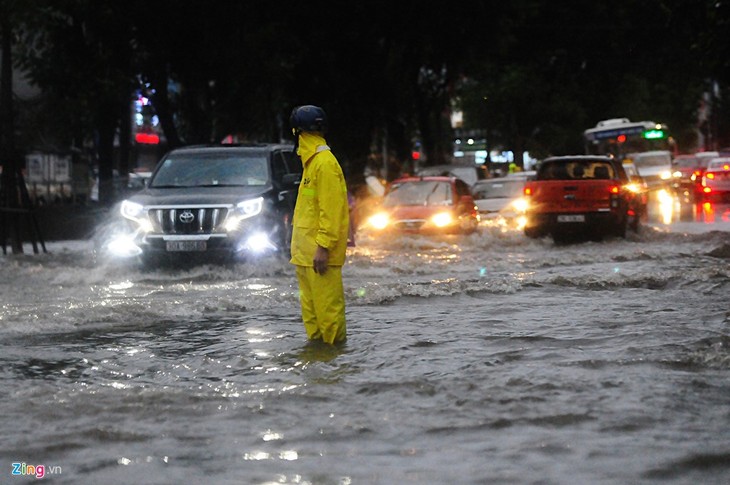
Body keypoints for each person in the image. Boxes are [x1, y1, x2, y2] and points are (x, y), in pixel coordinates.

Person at [289, 105, 349, 345]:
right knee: (313, 321)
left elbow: (331, 210)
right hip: (305, 256)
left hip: (318, 255)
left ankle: (335, 368)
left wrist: (323, 246)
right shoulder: (311, 163)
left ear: (297, 132)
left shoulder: (324, 163)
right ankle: (318, 365)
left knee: (329, 318)